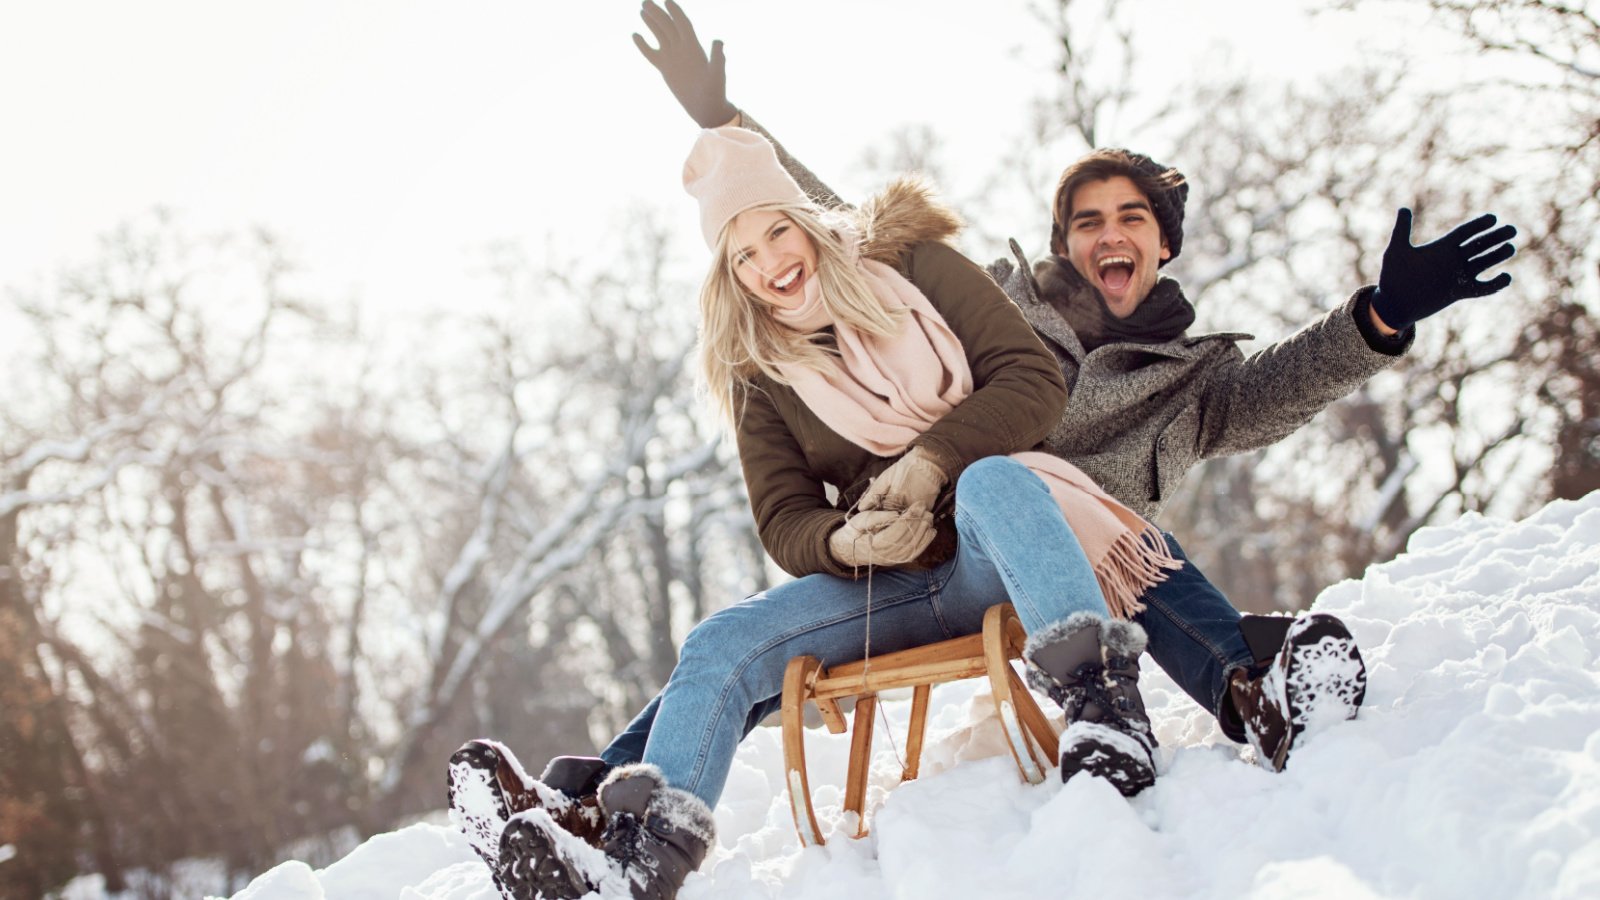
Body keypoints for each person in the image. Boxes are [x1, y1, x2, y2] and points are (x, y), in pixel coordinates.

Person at [605, 0, 1518, 781]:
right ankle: (614, 787)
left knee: (1129, 542)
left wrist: (1380, 318)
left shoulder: (1190, 383)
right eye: (1087, 222)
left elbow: (1285, 385)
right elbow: (818, 228)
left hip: (1089, 569)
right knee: (736, 644)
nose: (1107, 235)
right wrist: (728, 123)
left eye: (1131, 219)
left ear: (1162, 244)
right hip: (933, 548)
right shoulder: (994, 307)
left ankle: (1251, 690)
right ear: (1062, 241)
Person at [451, 121, 1197, 900]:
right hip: (889, 583)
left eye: (777, 229)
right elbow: (784, 519)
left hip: (998, 555)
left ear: (805, 222)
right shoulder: (757, 373)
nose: (771, 262)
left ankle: (1107, 715)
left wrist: (930, 462)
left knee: (993, 482)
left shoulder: (912, 269)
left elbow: (1034, 384)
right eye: (744, 253)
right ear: (731, 274)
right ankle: (635, 865)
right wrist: (845, 540)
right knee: (720, 642)